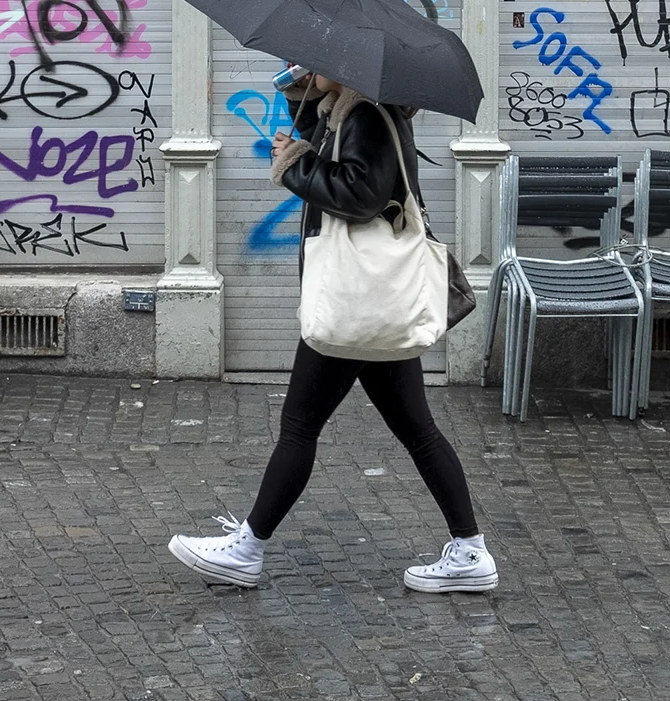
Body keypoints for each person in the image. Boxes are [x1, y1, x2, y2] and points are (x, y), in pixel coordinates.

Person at [167, 70, 496, 593]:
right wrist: (303, 102)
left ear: (347, 66)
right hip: (370, 302)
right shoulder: (348, 111)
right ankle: (470, 551)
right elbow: (345, 168)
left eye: (315, 56)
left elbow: (362, 195)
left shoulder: (365, 115)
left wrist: (295, 167)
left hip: (355, 299)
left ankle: (247, 549)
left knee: (299, 426)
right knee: (418, 430)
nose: (303, 61)